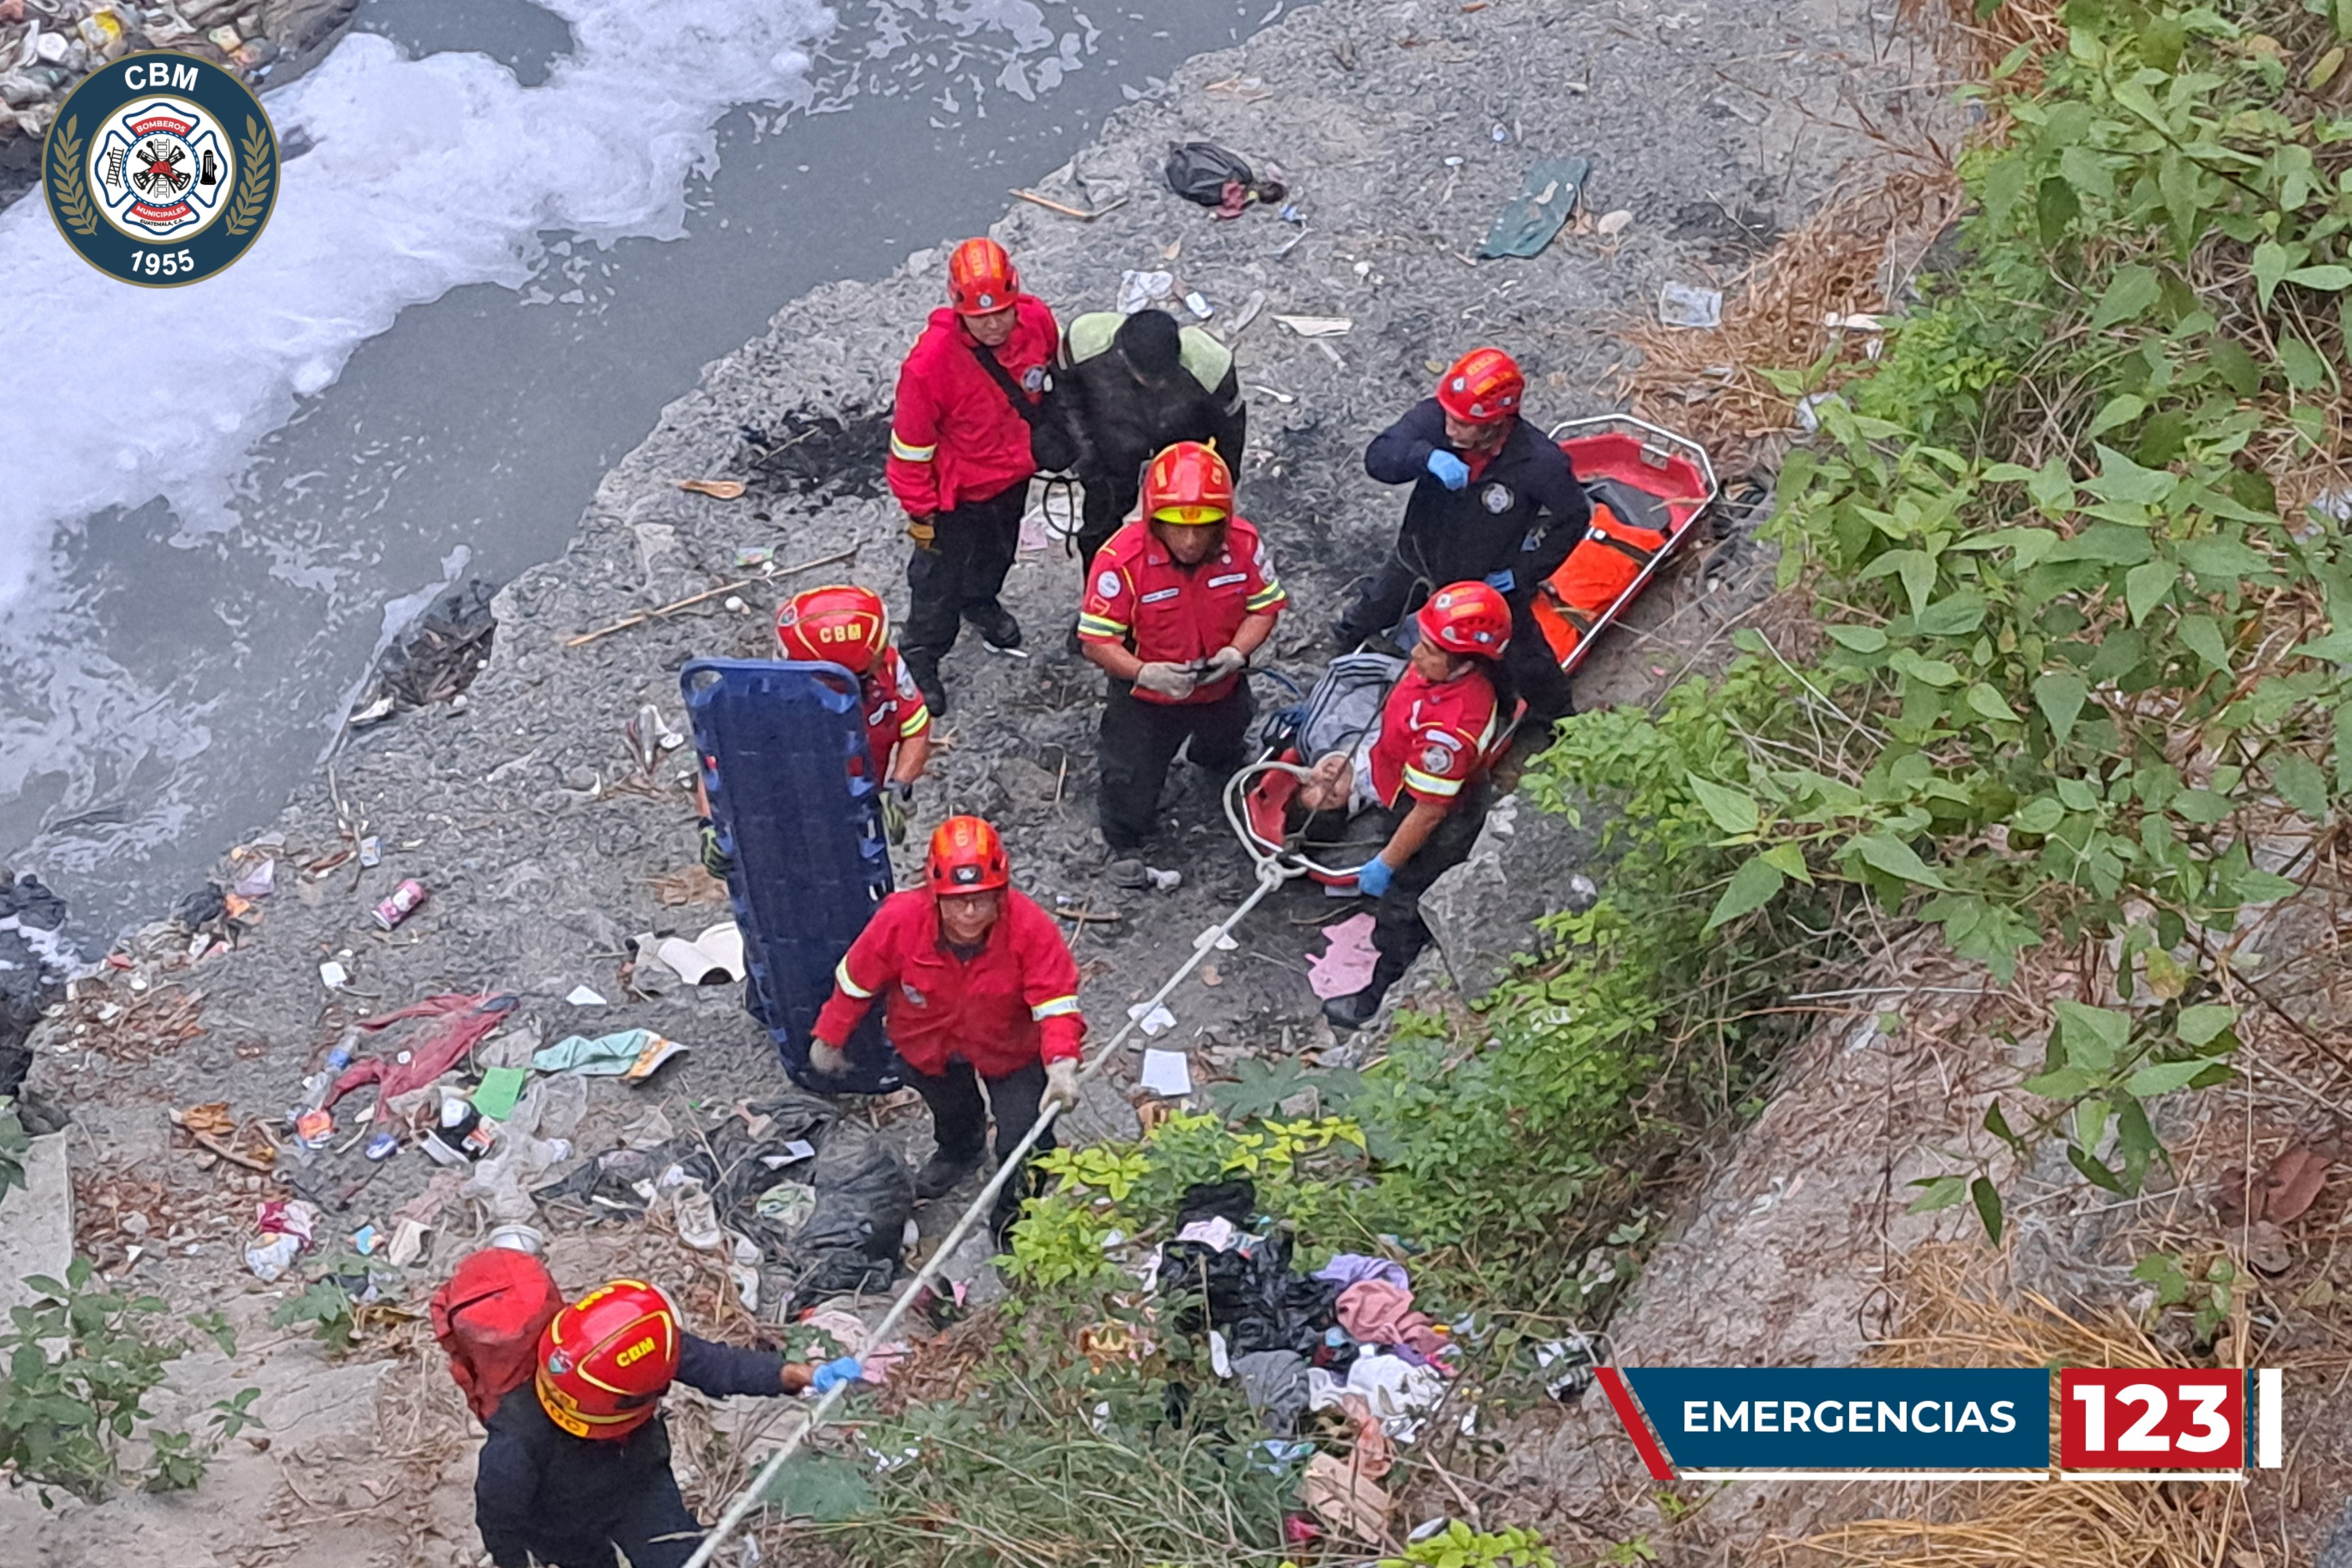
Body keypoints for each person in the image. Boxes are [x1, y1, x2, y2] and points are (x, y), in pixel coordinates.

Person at [808, 815, 1084, 1233]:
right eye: (957, 900)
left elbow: (1056, 999)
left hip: (1009, 1048)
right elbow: (857, 980)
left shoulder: (1030, 927)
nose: (970, 912)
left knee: (1027, 1142)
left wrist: (1062, 1061)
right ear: (934, 893)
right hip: (928, 1046)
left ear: (1001, 892)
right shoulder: (900, 920)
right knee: (952, 1108)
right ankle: (961, 1149)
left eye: (982, 898)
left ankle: (1015, 1221)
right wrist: (831, 1036)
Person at [473, 1273, 860, 1568]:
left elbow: (719, 1365)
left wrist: (800, 1374)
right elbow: (499, 1522)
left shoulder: (643, 1342)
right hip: (559, 1521)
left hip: (639, 1486)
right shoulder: (514, 1448)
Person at [1338, 346, 1588, 725]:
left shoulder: (1539, 464)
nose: (1449, 428)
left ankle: (1559, 718)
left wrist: (1522, 573)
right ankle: (1346, 641)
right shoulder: (1436, 419)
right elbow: (1379, 457)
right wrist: (1425, 457)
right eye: (1449, 419)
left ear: (1495, 424)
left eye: (1461, 424)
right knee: (1376, 606)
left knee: (1525, 657)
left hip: (1487, 581)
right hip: (1419, 557)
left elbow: (1573, 518)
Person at [1304, 582, 1514, 1031]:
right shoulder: (1435, 674)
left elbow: (1429, 811)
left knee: (1404, 907)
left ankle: (1377, 999)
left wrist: (1386, 862)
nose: (1416, 654)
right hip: (1397, 788)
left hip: (1436, 819)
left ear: (1465, 661)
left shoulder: (1452, 730)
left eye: (1430, 649)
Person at [1076, 441, 1286, 888]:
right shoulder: (1122, 561)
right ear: (1155, 518)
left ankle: (1215, 764)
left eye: (1204, 527)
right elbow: (1096, 639)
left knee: (1229, 735)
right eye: (1176, 527)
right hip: (1147, 695)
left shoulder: (1244, 545)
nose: (1190, 540)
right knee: (1129, 774)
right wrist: (1143, 672)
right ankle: (1125, 839)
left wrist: (1236, 653)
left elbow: (1264, 607)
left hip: (1222, 680)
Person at [885, 236, 1059, 715]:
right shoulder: (929, 367)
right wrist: (921, 511)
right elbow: (908, 449)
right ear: (959, 308)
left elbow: (1050, 382)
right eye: (981, 316)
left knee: (998, 556)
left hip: (1012, 478)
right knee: (936, 583)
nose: (993, 323)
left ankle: (981, 601)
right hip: (955, 497)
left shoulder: (1038, 320)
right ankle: (921, 653)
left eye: (1001, 311)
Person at [1046, 307, 1247, 611]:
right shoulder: (1085, 345)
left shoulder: (1209, 367)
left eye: (1164, 377)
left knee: (1185, 538)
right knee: (1099, 536)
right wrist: (1085, 456)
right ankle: (1101, 606)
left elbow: (1231, 427)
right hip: (1111, 455)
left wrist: (1222, 482)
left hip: (1181, 460)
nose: (1158, 385)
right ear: (1124, 356)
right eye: (1147, 378)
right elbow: (1064, 394)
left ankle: (1181, 608)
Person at [775, 583, 933, 842]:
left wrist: (899, 786)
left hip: (862, 801)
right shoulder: (770, 698)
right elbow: (715, 760)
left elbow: (917, 728)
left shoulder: (889, 669)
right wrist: (711, 828)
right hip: (791, 817)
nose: (885, 651)